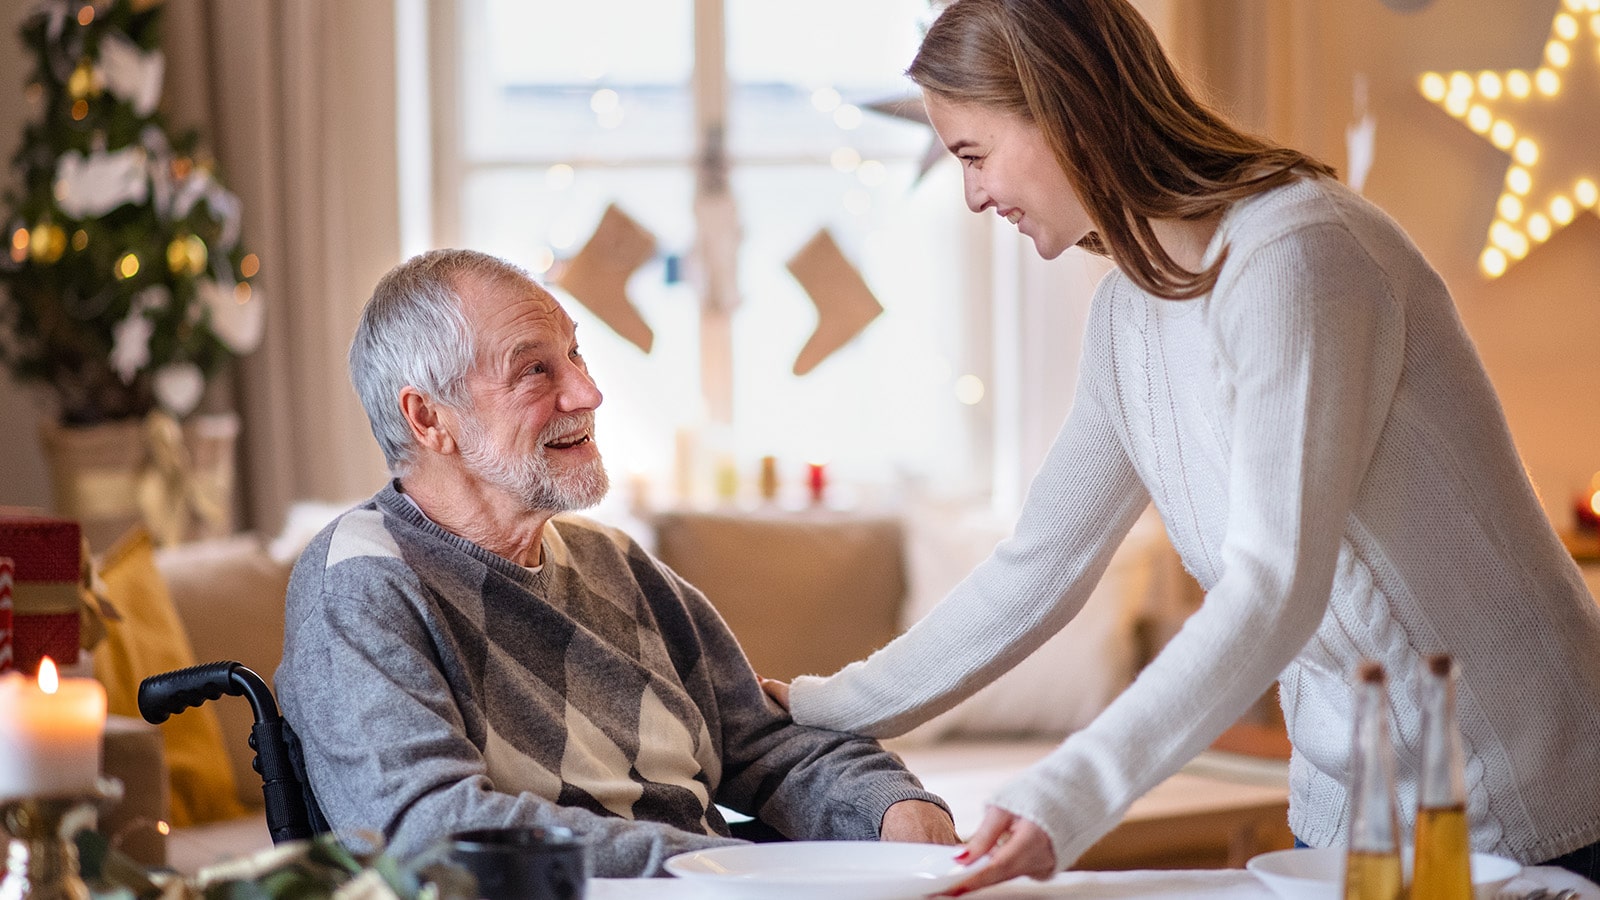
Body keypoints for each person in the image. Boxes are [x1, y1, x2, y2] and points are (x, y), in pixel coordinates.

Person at [763, 0, 1600, 893]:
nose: (970, 194)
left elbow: (1276, 585)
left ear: (1065, 112)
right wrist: (824, 706)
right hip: (1347, 821)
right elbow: (1036, 567)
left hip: (1523, 796)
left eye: (975, 154)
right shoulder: (1128, 315)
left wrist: (1069, 791)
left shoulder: (1299, 256)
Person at [276, 248, 957, 877]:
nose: (587, 393)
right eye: (535, 369)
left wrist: (893, 806)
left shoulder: (613, 561)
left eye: (576, 354)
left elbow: (764, 741)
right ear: (429, 419)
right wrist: (723, 867)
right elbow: (434, 836)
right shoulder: (361, 581)